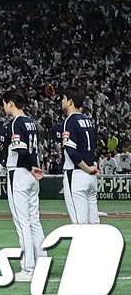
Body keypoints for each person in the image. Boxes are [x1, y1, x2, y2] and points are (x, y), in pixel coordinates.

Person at [2, 92, 46, 283]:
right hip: (31, 175)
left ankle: (28, 269)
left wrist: (29, 166)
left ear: (11, 104)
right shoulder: (31, 122)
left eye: (4, 104)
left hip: (20, 172)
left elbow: (20, 148)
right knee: (34, 220)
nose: (4, 107)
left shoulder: (15, 123)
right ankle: (43, 263)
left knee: (23, 223)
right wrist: (34, 168)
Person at [60, 86, 100, 224]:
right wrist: (90, 169)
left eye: (64, 98)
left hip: (77, 173)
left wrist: (86, 168)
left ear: (70, 101)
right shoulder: (87, 120)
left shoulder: (70, 121)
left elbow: (72, 152)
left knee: (79, 224)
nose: (62, 101)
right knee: (93, 222)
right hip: (91, 174)